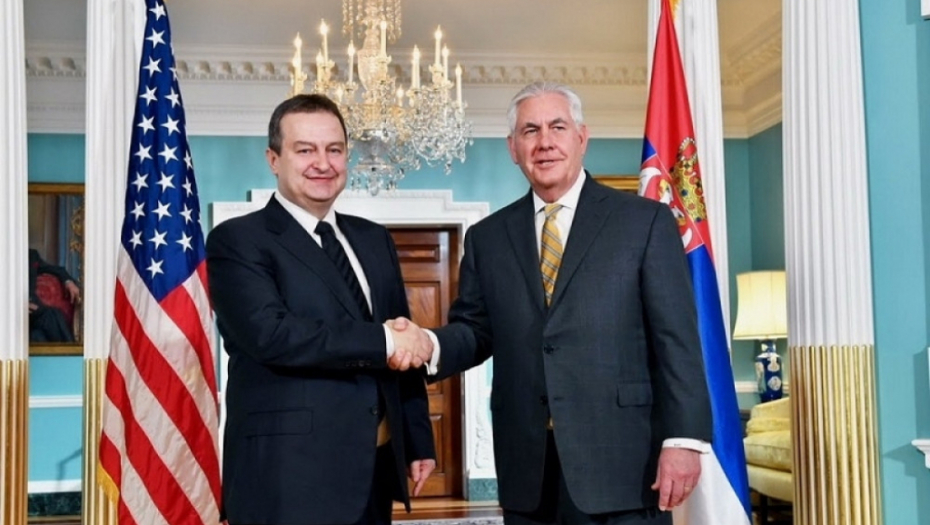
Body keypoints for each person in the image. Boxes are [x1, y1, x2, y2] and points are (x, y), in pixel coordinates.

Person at [392, 82, 713, 525]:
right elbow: (475, 330)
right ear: (513, 148)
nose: (544, 142)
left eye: (557, 127)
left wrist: (683, 440)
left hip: (622, 464)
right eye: (530, 130)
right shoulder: (487, 238)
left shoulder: (644, 222)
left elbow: (676, 338)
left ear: (581, 137)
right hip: (528, 469)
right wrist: (428, 344)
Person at [206, 94, 436, 525]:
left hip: (374, 469)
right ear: (274, 160)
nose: (323, 163)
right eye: (305, 150)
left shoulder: (373, 239)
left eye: (334, 149)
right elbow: (272, 335)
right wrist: (385, 339)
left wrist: (416, 438)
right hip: (287, 476)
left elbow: (402, 337)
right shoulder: (237, 240)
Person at [29, 248, 80, 342]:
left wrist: (68, 282)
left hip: (33, 312)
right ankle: (71, 348)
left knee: (38, 336)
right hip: (11, 313)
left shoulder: (31, 255)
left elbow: (57, 270)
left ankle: (69, 349)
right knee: (51, 315)